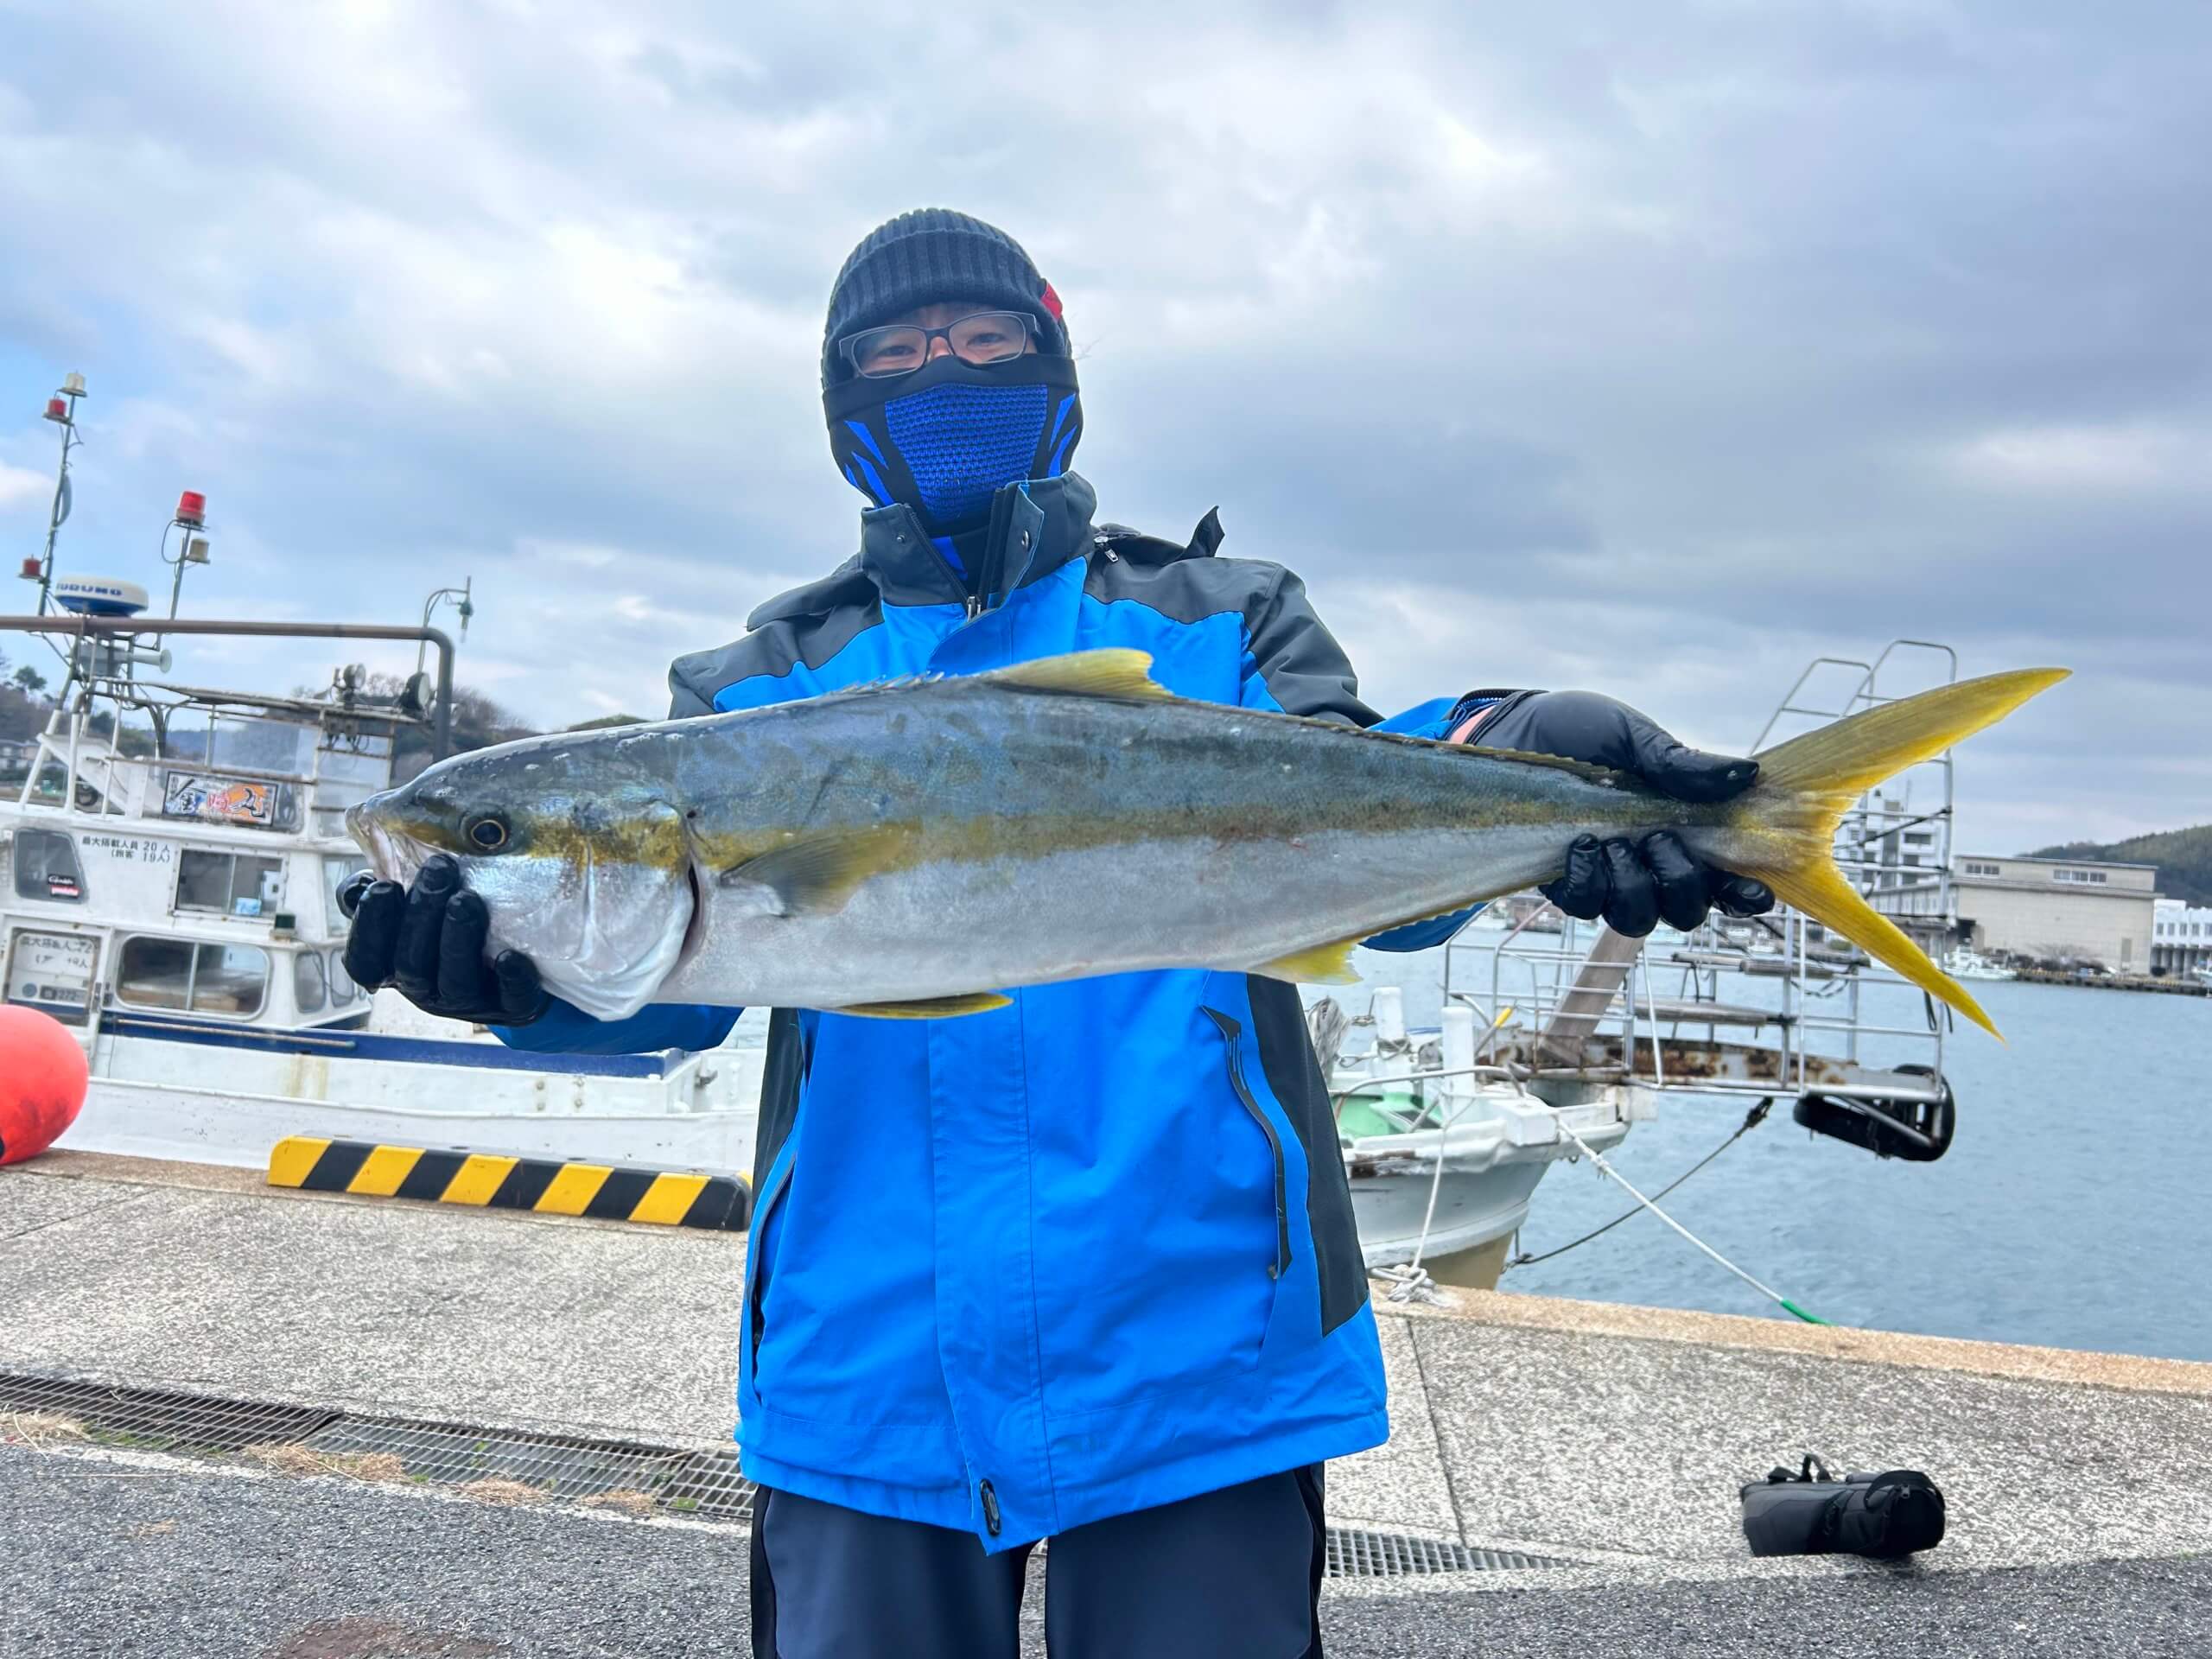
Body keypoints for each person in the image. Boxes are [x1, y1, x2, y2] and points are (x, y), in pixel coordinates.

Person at [345, 208, 1774, 1658]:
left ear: (1059, 376)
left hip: (1201, 1342)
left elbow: (1356, 800)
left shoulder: (1221, 620)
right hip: (868, 1362)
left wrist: (1519, 747)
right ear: (843, 411)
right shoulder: (761, 682)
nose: (940, 374)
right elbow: (685, 986)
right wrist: (516, 983)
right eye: (894, 354)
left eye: (984, 342)